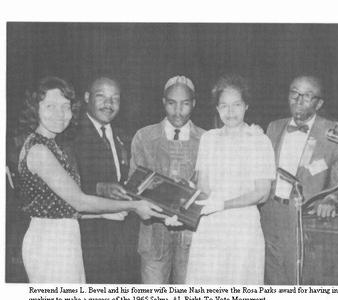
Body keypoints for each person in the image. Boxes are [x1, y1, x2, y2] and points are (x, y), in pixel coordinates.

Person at [17, 76, 164, 283]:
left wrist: (103, 215)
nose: (60, 114)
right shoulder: (40, 150)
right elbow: (79, 201)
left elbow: (58, 207)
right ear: (35, 108)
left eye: (65, 106)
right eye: (50, 106)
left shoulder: (53, 145)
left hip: (65, 236)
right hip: (49, 243)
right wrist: (134, 206)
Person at [260, 75, 338, 285]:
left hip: (307, 219)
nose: (298, 100)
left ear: (319, 103)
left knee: (302, 282)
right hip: (270, 215)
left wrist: (332, 199)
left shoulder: (333, 132)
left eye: (307, 95)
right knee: (272, 281)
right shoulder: (273, 127)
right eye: (294, 92)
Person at [185, 74, 275, 284]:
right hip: (210, 224)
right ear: (217, 109)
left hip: (243, 227)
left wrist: (223, 204)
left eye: (236, 105)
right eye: (224, 105)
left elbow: (262, 193)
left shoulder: (259, 140)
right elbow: (203, 187)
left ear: (246, 106)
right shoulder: (208, 139)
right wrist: (182, 209)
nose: (230, 111)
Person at [130, 75, 205, 284]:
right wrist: (161, 213)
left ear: (194, 104)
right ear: (164, 102)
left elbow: (210, 188)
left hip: (192, 237)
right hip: (153, 235)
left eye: (185, 104)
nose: (178, 111)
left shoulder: (207, 139)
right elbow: (134, 186)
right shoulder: (143, 137)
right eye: (172, 103)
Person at [71, 76, 144, 283]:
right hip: (90, 236)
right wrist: (98, 187)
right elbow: (63, 184)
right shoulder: (71, 134)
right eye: (101, 96)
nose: (109, 104)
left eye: (115, 98)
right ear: (87, 97)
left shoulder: (123, 134)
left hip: (123, 236)